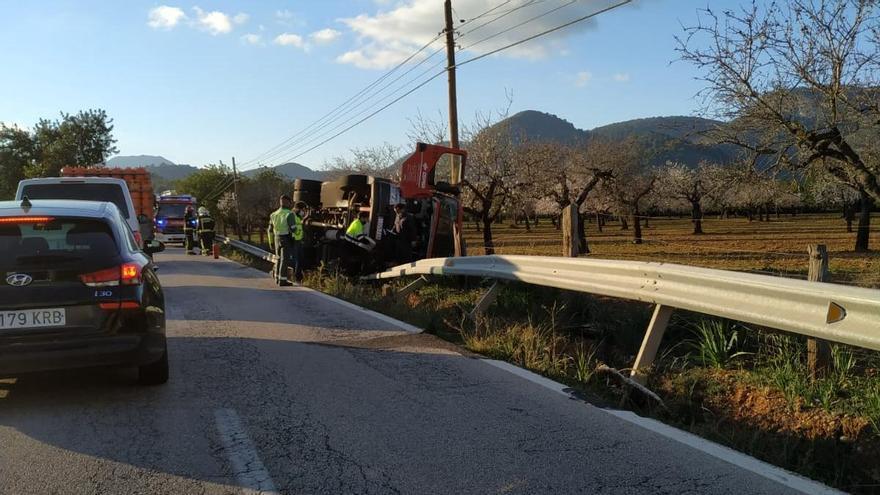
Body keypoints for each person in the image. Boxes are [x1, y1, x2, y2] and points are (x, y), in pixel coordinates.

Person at [268, 195, 297, 286]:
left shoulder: (273, 214)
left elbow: (269, 230)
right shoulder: (289, 214)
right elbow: (293, 229)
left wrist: (271, 242)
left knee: (279, 259)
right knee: (285, 260)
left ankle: (277, 278)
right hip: (286, 238)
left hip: (276, 238)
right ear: (287, 202)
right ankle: (282, 280)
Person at [290, 201, 307, 283]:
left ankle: (298, 277)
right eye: (303, 209)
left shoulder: (297, 216)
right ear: (299, 209)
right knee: (297, 260)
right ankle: (296, 278)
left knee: (300, 259)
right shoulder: (293, 215)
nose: (303, 212)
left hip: (298, 240)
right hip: (294, 240)